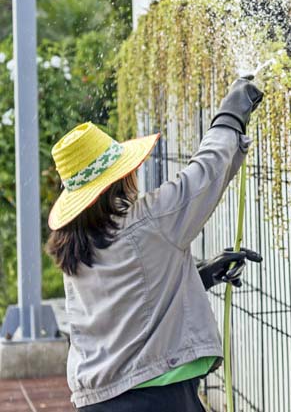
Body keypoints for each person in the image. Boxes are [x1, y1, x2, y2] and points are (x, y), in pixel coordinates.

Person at [45, 77, 264, 411]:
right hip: (158, 398)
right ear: (120, 179)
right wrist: (230, 115)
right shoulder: (149, 220)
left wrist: (199, 276)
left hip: (98, 401)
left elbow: (126, 305)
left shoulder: (75, 243)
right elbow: (206, 172)